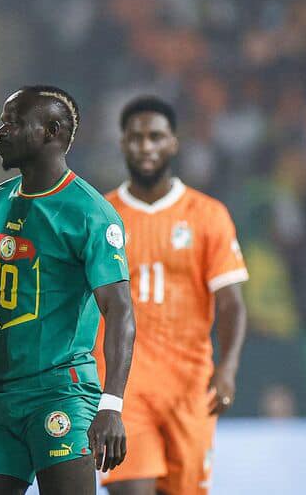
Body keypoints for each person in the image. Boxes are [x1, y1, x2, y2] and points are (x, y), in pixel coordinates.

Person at [0, 86, 136, 495]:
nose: (0, 131)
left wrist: (111, 405)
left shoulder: (90, 213)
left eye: (13, 122)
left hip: (59, 392)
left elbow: (120, 312)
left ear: (51, 131)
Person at [97, 96, 248, 495]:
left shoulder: (207, 214)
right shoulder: (101, 215)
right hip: (122, 383)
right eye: (136, 137)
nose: (145, 146)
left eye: (155, 136)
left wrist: (228, 367)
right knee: (131, 488)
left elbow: (230, 299)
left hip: (189, 384)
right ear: (122, 143)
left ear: (173, 143)